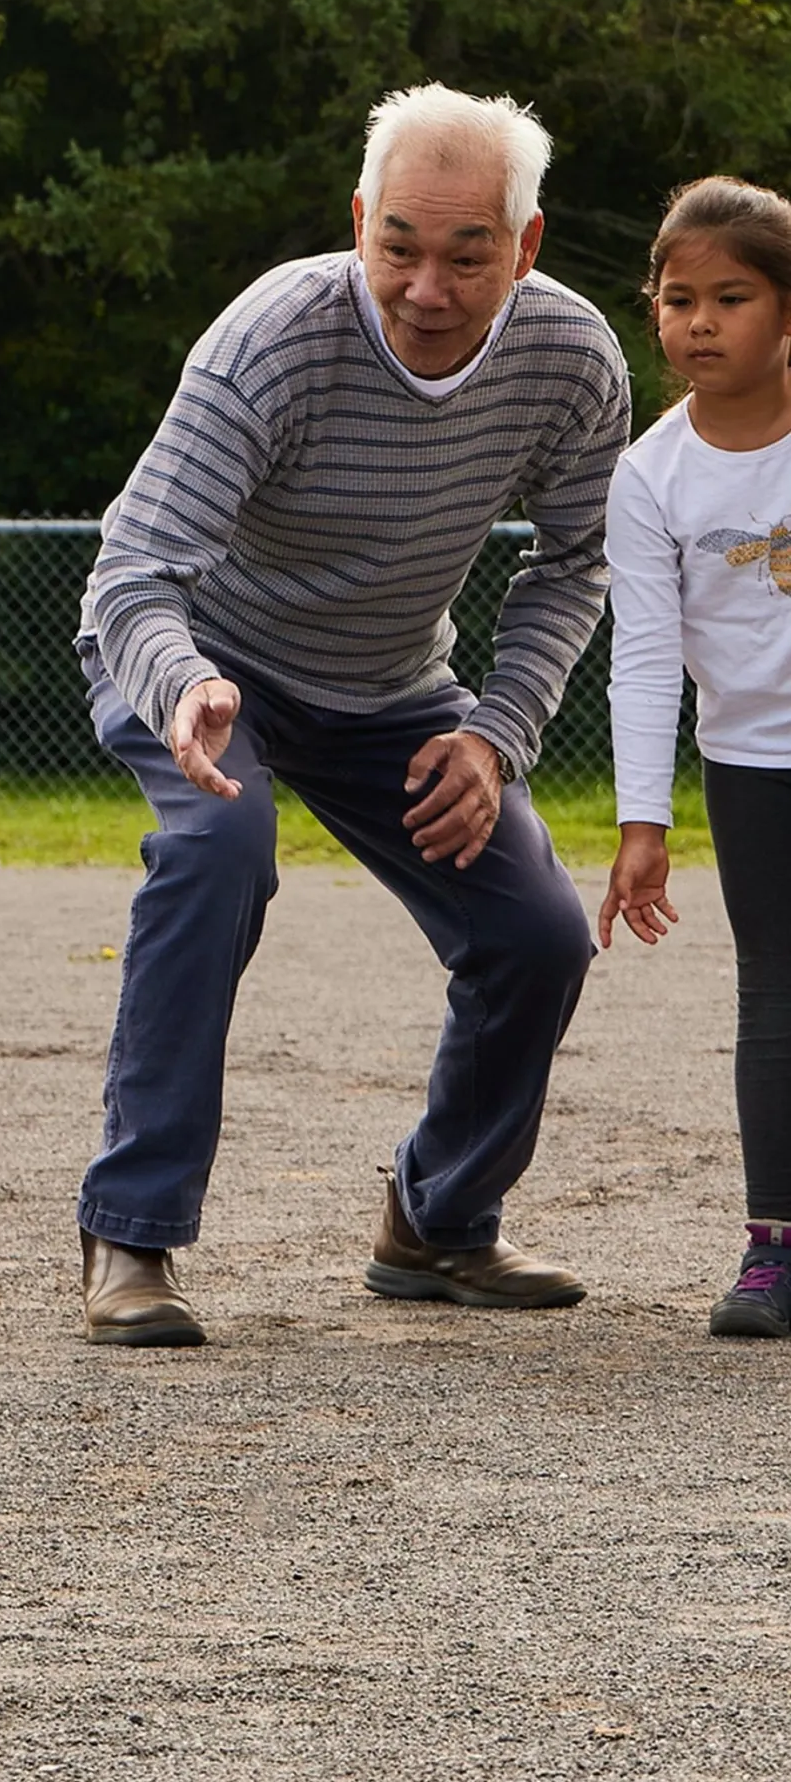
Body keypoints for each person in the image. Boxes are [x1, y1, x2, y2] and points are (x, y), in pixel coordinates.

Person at [76, 82, 631, 1347]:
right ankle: (131, 1234)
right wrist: (185, 685)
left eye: (465, 253)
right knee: (218, 851)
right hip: (199, 666)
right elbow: (132, 570)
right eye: (397, 246)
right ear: (357, 220)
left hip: (391, 688)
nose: (425, 287)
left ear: (524, 244)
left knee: (539, 930)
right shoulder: (273, 335)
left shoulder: (569, 358)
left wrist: (492, 734)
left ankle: (436, 1221)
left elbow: (572, 559)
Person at [597, 176, 791, 1339]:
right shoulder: (649, 474)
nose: (699, 321)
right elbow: (642, 656)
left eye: (731, 296)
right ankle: (772, 1247)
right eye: (677, 299)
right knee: (772, 991)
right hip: (750, 762)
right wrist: (639, 820)